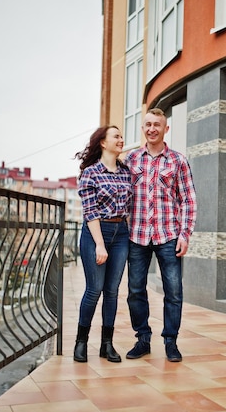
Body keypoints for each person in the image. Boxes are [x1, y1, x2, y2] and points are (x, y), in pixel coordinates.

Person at [124, 108, 197, 362]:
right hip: (137, 236)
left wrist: (185, 234)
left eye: (157, 124)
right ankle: (142, 338)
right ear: (142, 128)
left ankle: (170, 342)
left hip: (168, 236)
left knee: (173, 291)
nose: (152, 128)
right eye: (147, 124)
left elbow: (188, 199)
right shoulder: (131, 160)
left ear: (166, 129)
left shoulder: (178, 161)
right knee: (135, 290)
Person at [73, 125, 132, 362]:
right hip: (95, 232)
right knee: (94, 289)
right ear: (103, 143)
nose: (121, 139)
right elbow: (90, 212)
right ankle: (81, 342)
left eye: (121, 136)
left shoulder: (126, 172)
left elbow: (129, 208)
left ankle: (107, 344)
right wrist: (99, 244)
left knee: (112, 291)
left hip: (121, 234)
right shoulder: (90, 173)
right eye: (116, 136)